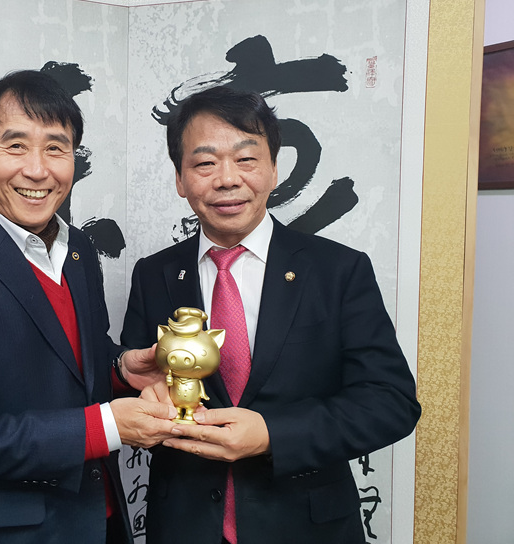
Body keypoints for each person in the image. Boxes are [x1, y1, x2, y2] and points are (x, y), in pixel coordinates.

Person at [121, 86, 421, 544]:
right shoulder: (154, 274)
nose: (227, 179)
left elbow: (390, 402)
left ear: (274, 169)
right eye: (204, 163)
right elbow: (141, 383)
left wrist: (272, 435)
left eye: (246, 159)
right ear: (180, 179)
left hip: (307, 527)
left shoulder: (338, 270)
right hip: (184, 524)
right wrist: (140, 391)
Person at [0, 70, 177, 544]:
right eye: (16, 146)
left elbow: (68, 357)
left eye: (55, 148)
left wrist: (120, 368)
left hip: (100, 516)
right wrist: (108, 425)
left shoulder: (79, 249)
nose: (38, 170)